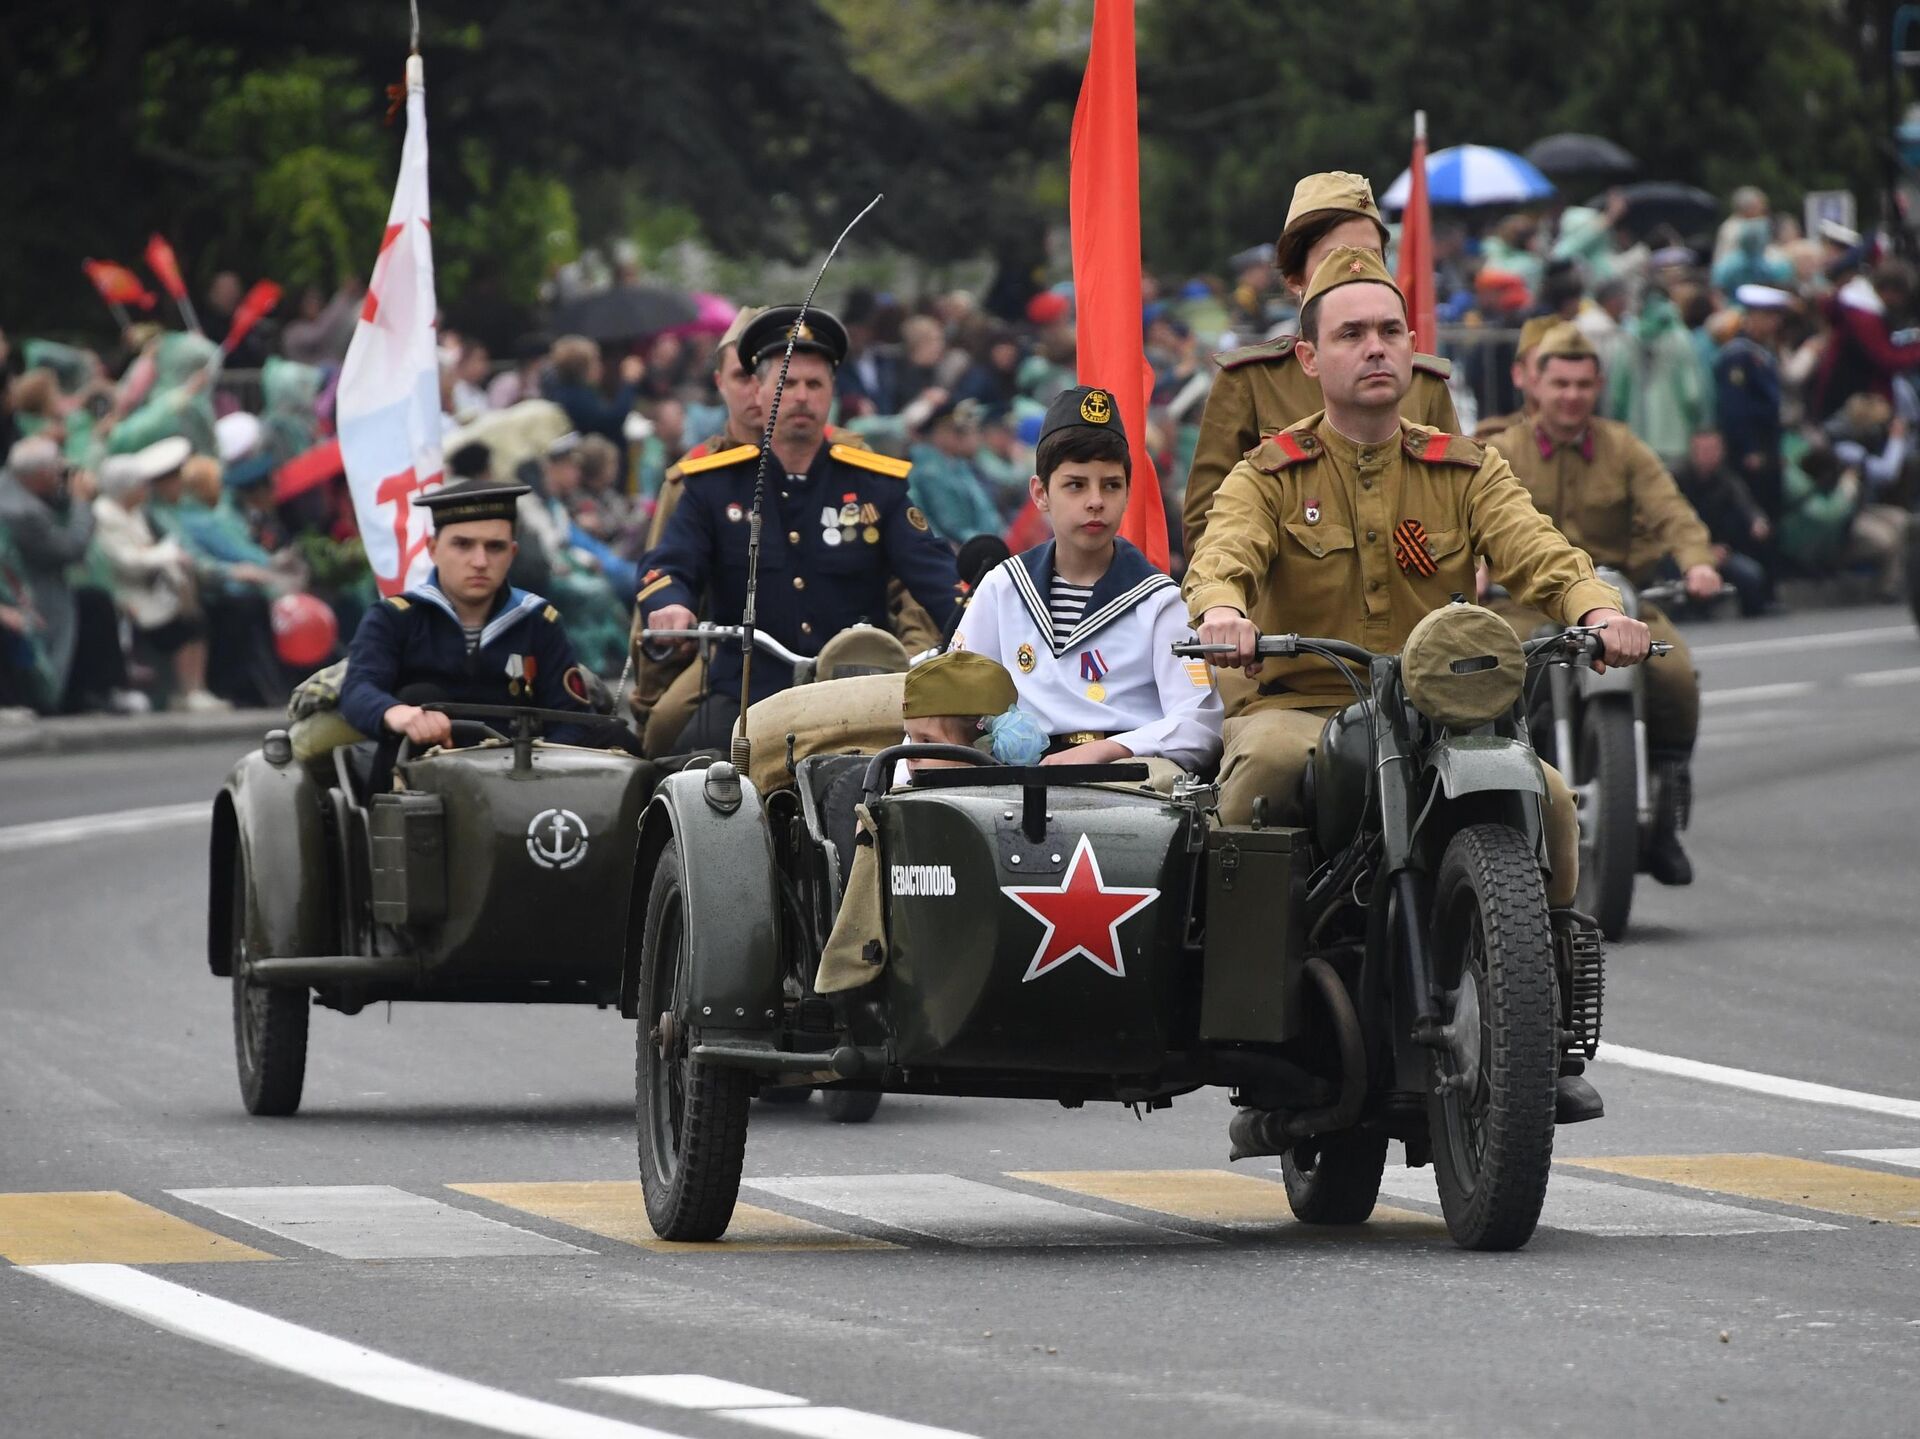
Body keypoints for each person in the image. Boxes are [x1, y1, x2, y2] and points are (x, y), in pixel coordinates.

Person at [1185, 250, 1641, 1126]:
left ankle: (1541, 1038)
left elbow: (1541, 552)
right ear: (1310, 359)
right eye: (1351, 334)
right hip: (1303, 705)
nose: (1375, 348)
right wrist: (1222, 614)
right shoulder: (1267, 474)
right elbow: (1222, 555)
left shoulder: (1464, 470)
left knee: (1545, 795)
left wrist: (1597, 608)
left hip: (1442, 715)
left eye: (1389, 331)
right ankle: (1256, 1038)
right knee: (1259, 779)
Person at [639, 304, 962, 751]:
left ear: (832, 391)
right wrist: (672, 605)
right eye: (788, 383)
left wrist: (977, 621)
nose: (802, 396)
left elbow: (937, 576)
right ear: (761, 390)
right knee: (676, 766)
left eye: (814, 384)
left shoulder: (873, 485)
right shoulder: (714, 486)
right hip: (747, 694)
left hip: (854, 693)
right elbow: (669, 564)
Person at [1486, 323, 1720, 885]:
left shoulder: (1623, 447)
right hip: (1525, 602)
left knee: (1678, 678)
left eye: (1583, 384)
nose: (1571, 396)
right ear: (1534, 386)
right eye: (1560, 383)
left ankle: (1661, 816)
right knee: (1489, 676)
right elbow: (1468, 518)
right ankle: (1495, 819)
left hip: (1618, 600)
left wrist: (1698, 562)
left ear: (1598, 387)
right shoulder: (1499, 452)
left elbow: (1672, 510)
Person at [1184, 171, 1460, 559]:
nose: (1356, 272)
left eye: (1371, 258)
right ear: (1296, 277)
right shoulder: (1253, 381)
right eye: (1337, 258)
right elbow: (1207, 527)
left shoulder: (1420, 382)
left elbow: (1459, 508)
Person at [954, 385, 1222, 782]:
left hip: (1127, 779)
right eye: (1076, 485)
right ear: (1040, 493)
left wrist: (1107, 750)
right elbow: (953, 699)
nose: (1096, 501)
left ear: (1129, 492)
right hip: (1020, 782)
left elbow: (1199, 723)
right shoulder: (1003, 588)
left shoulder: (1159, 601)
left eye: (1111, 485)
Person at [338, 476, 593, 791]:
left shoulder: (539, 621)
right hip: (417, 792)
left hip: (522, 787)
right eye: (463, 544)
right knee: (421, 697)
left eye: (495, 547)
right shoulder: (394, 617)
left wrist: (541, 773)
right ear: (432, 549)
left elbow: (572, 717)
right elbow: (357, 690)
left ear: (512, 553)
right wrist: (400, 714)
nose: (480, 561)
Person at [93, 439, 229, 712]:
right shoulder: (105, 515)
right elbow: (126, 560)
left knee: (195, 621)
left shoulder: (134, 512)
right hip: (130, 592)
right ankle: (187, 689)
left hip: (155, 587)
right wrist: (166, 555)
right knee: (179, 628)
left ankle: (195, 688)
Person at [1674, 430, 1775, 617]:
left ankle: (1758, 610)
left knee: (1751, 574)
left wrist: (1757, 521)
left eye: (1713, 449)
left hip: (1720, 550)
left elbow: (1745, 503)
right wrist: (1702, 551)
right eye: (1703, 450)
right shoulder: (1676, 479)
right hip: (1681, 553)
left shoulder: (1726, 479)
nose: (1709, 455)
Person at [1715, 284, 1790, 524]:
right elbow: (1734, 407)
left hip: (1768, 443)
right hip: (1751, 450)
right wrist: (1749, 448)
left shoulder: (1762, 351)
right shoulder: (1739, 354)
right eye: (1768, 316)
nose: (1774, 323)